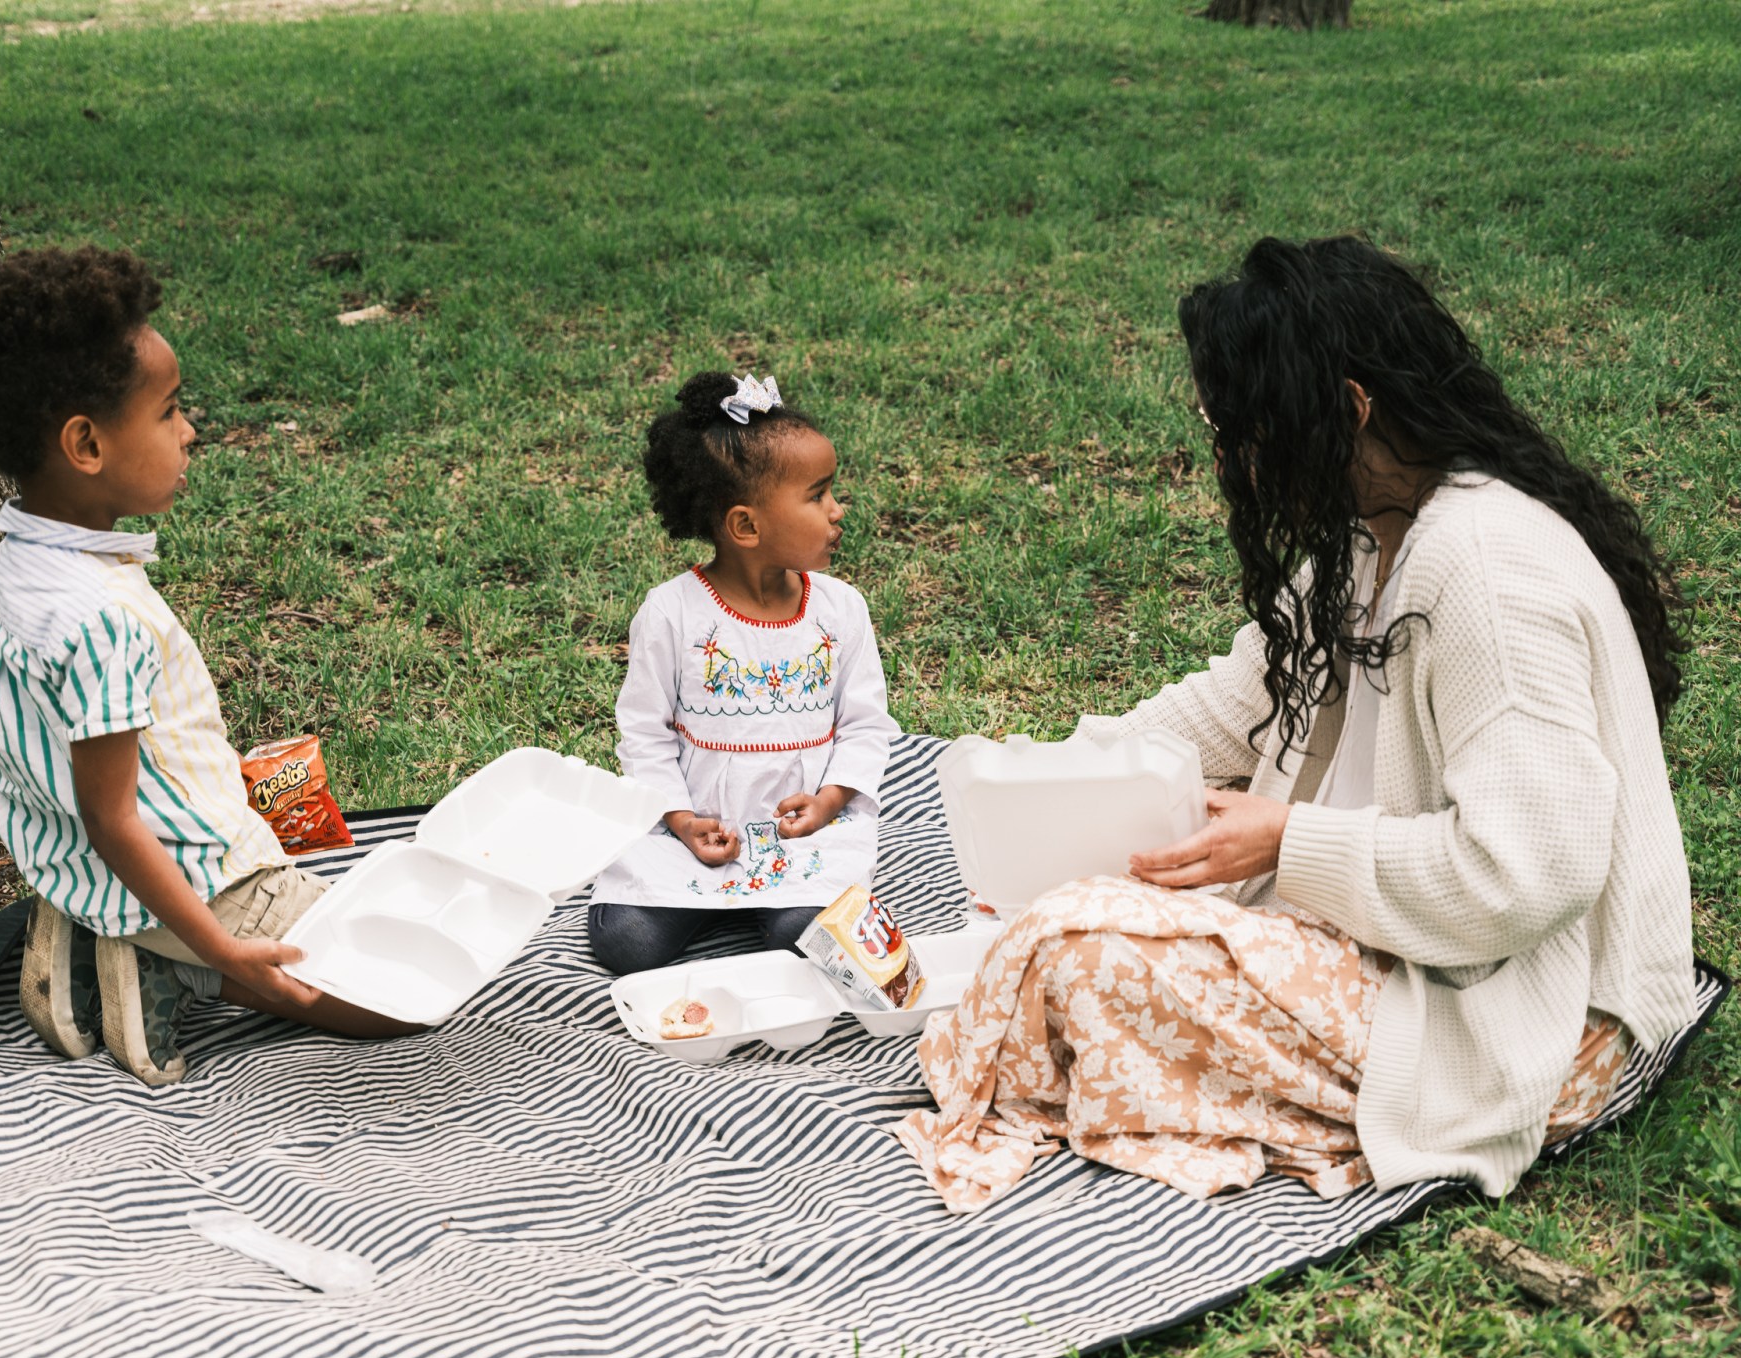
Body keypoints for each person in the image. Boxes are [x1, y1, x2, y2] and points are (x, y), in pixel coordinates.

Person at [895, 236, 1698, 1211]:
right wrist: (1035, 791)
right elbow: (1221, 713)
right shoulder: (1368, 537)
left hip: (1525, 1021)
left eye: (1238, 429)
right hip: (1401, 950)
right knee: (1060, 913)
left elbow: (1526, 875)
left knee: (1075, 949)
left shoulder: (1488, 572)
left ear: (1348, 410)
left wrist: (1284, 840)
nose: (1228, 459)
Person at [0, 246, 416, 1087]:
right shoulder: (100, 618)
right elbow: (117, 819)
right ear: (86, 443)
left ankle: (101, 927)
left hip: (65, 863)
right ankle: (167, 959)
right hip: (198, 876)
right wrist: (223, 948)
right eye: (168, 413)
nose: (189, 429)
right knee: (405, 997)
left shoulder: (7, 573)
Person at [587, 373, 900, 975]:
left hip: (804, 838)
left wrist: (830, 802)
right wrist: (682, 821)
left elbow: (866, 727)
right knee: (627, 943)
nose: (838, 511)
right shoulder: (672, 613)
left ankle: (779, 910)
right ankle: (693, 895)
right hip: (694, 833)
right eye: (817, 496)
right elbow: (645, 736)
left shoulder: (840, 610)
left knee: (806, 937)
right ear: (746, 526)